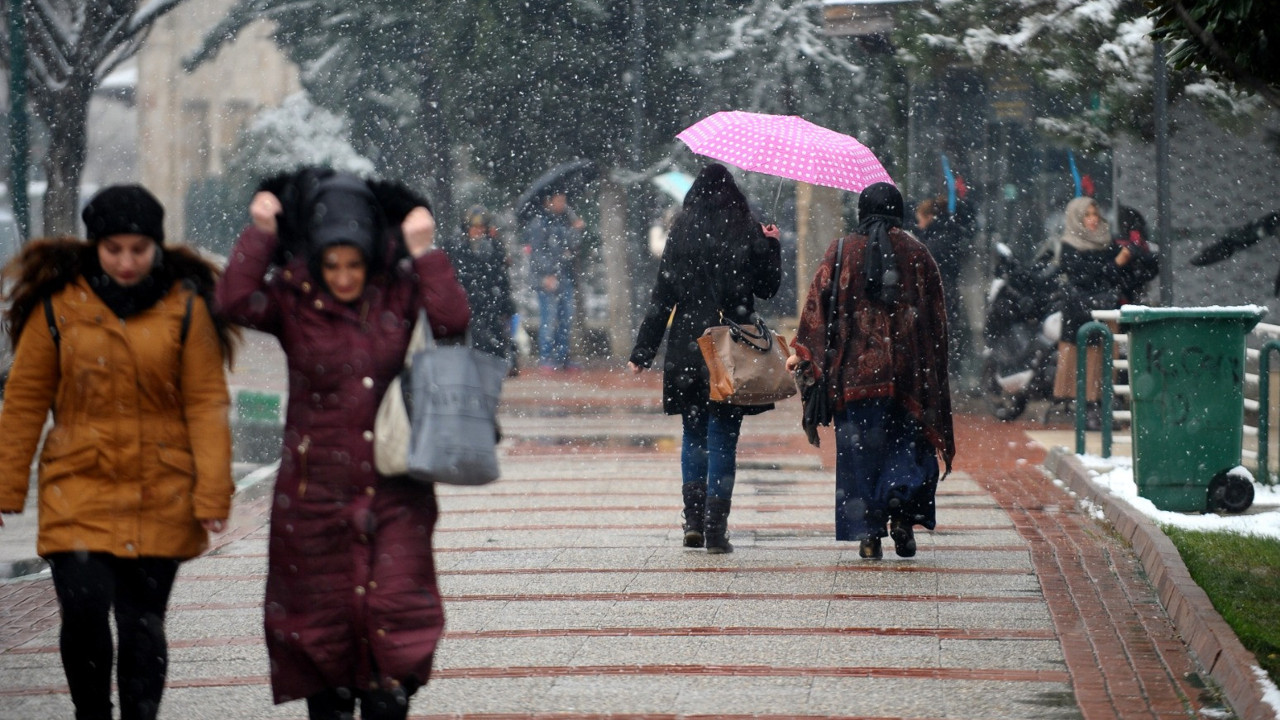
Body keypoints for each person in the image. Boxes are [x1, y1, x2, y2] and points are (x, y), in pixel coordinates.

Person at [215, 169, 470, 720]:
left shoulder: (399, 290)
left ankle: (387, 694)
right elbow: (233, 302)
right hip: (313, 498)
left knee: (392, 627)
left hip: (396, 489)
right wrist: (260, 232)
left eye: (354, 264)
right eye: (332, 265)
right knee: (322, 638)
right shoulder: (292, 298)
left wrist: (425, 251)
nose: (344, 276)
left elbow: (452, 321)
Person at [0, 185, 237, 720]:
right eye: (114, 249)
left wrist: (213, 491)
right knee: (82, 613)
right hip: (78, 486)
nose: (127, 262)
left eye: (138, 249)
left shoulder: (185, 308)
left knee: (141, 624)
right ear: (94, 246)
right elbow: (24, 402)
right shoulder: (57, 306)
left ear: (156, 245)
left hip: (162, 488)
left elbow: (205, 403)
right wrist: (5, 484)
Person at [787, 182, 955, 560]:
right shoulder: (917, 253)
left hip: (853, 379)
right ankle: (900, 506)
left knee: (860, 455)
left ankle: (869, 535)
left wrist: (804, 352)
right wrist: (933, 367)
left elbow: (817, 306)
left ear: (861, 211)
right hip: (909, 378)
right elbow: (937, 320)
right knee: (906, 447)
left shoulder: (842, 250)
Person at [626, 163, 781, 554]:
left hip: (688, 348)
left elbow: (662, 298)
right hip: (731, 347)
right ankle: (716, 529)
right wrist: (770, 246)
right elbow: (766, 289)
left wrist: (642, 352)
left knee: (694, 436)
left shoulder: (681, 233)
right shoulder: (746, 230)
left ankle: (692, 523)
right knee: (723, 439)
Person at [1052, 196, 1139, 429]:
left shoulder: (1106, 241)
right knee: (1087, 358)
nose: (1092, 220)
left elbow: (1112, 276)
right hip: (1081, 310)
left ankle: (1102, 406)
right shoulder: (1070, 244)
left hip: (1105, 308)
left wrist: (1122, 261)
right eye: (1086, 215)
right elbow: (1084, 275)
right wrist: (1115, 264)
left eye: (1094, 214)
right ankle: (1088, 409)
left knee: (1106, 358)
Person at [440, 205, 515, 364]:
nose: (477, 231)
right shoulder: (454, 246)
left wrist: (506, 305)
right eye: (474, 227)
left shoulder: (494, 247)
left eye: (481, 227)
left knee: (492, 344)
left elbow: (501, 278)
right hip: (464, 301)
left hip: (488, 302)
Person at [524, 190, 584, 371]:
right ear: (548, 202)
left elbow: (571, 246)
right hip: (548, 278)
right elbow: (537, 253)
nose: (562, 204)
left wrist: (576, 229)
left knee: (565, 318)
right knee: (549, 318)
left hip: (564, 275)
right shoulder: (539, 223)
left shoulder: (563, 221)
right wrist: (547, 274)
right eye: (559, 201)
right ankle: (546, 357)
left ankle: (562, 356)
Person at [913, 196, 970, 379]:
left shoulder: (937, 241)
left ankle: (945, 373)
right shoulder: (948, 235)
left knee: (941, 334)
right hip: (947, 291)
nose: (919, 224)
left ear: (929, 217)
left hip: (940, 292)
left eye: (920, 219)